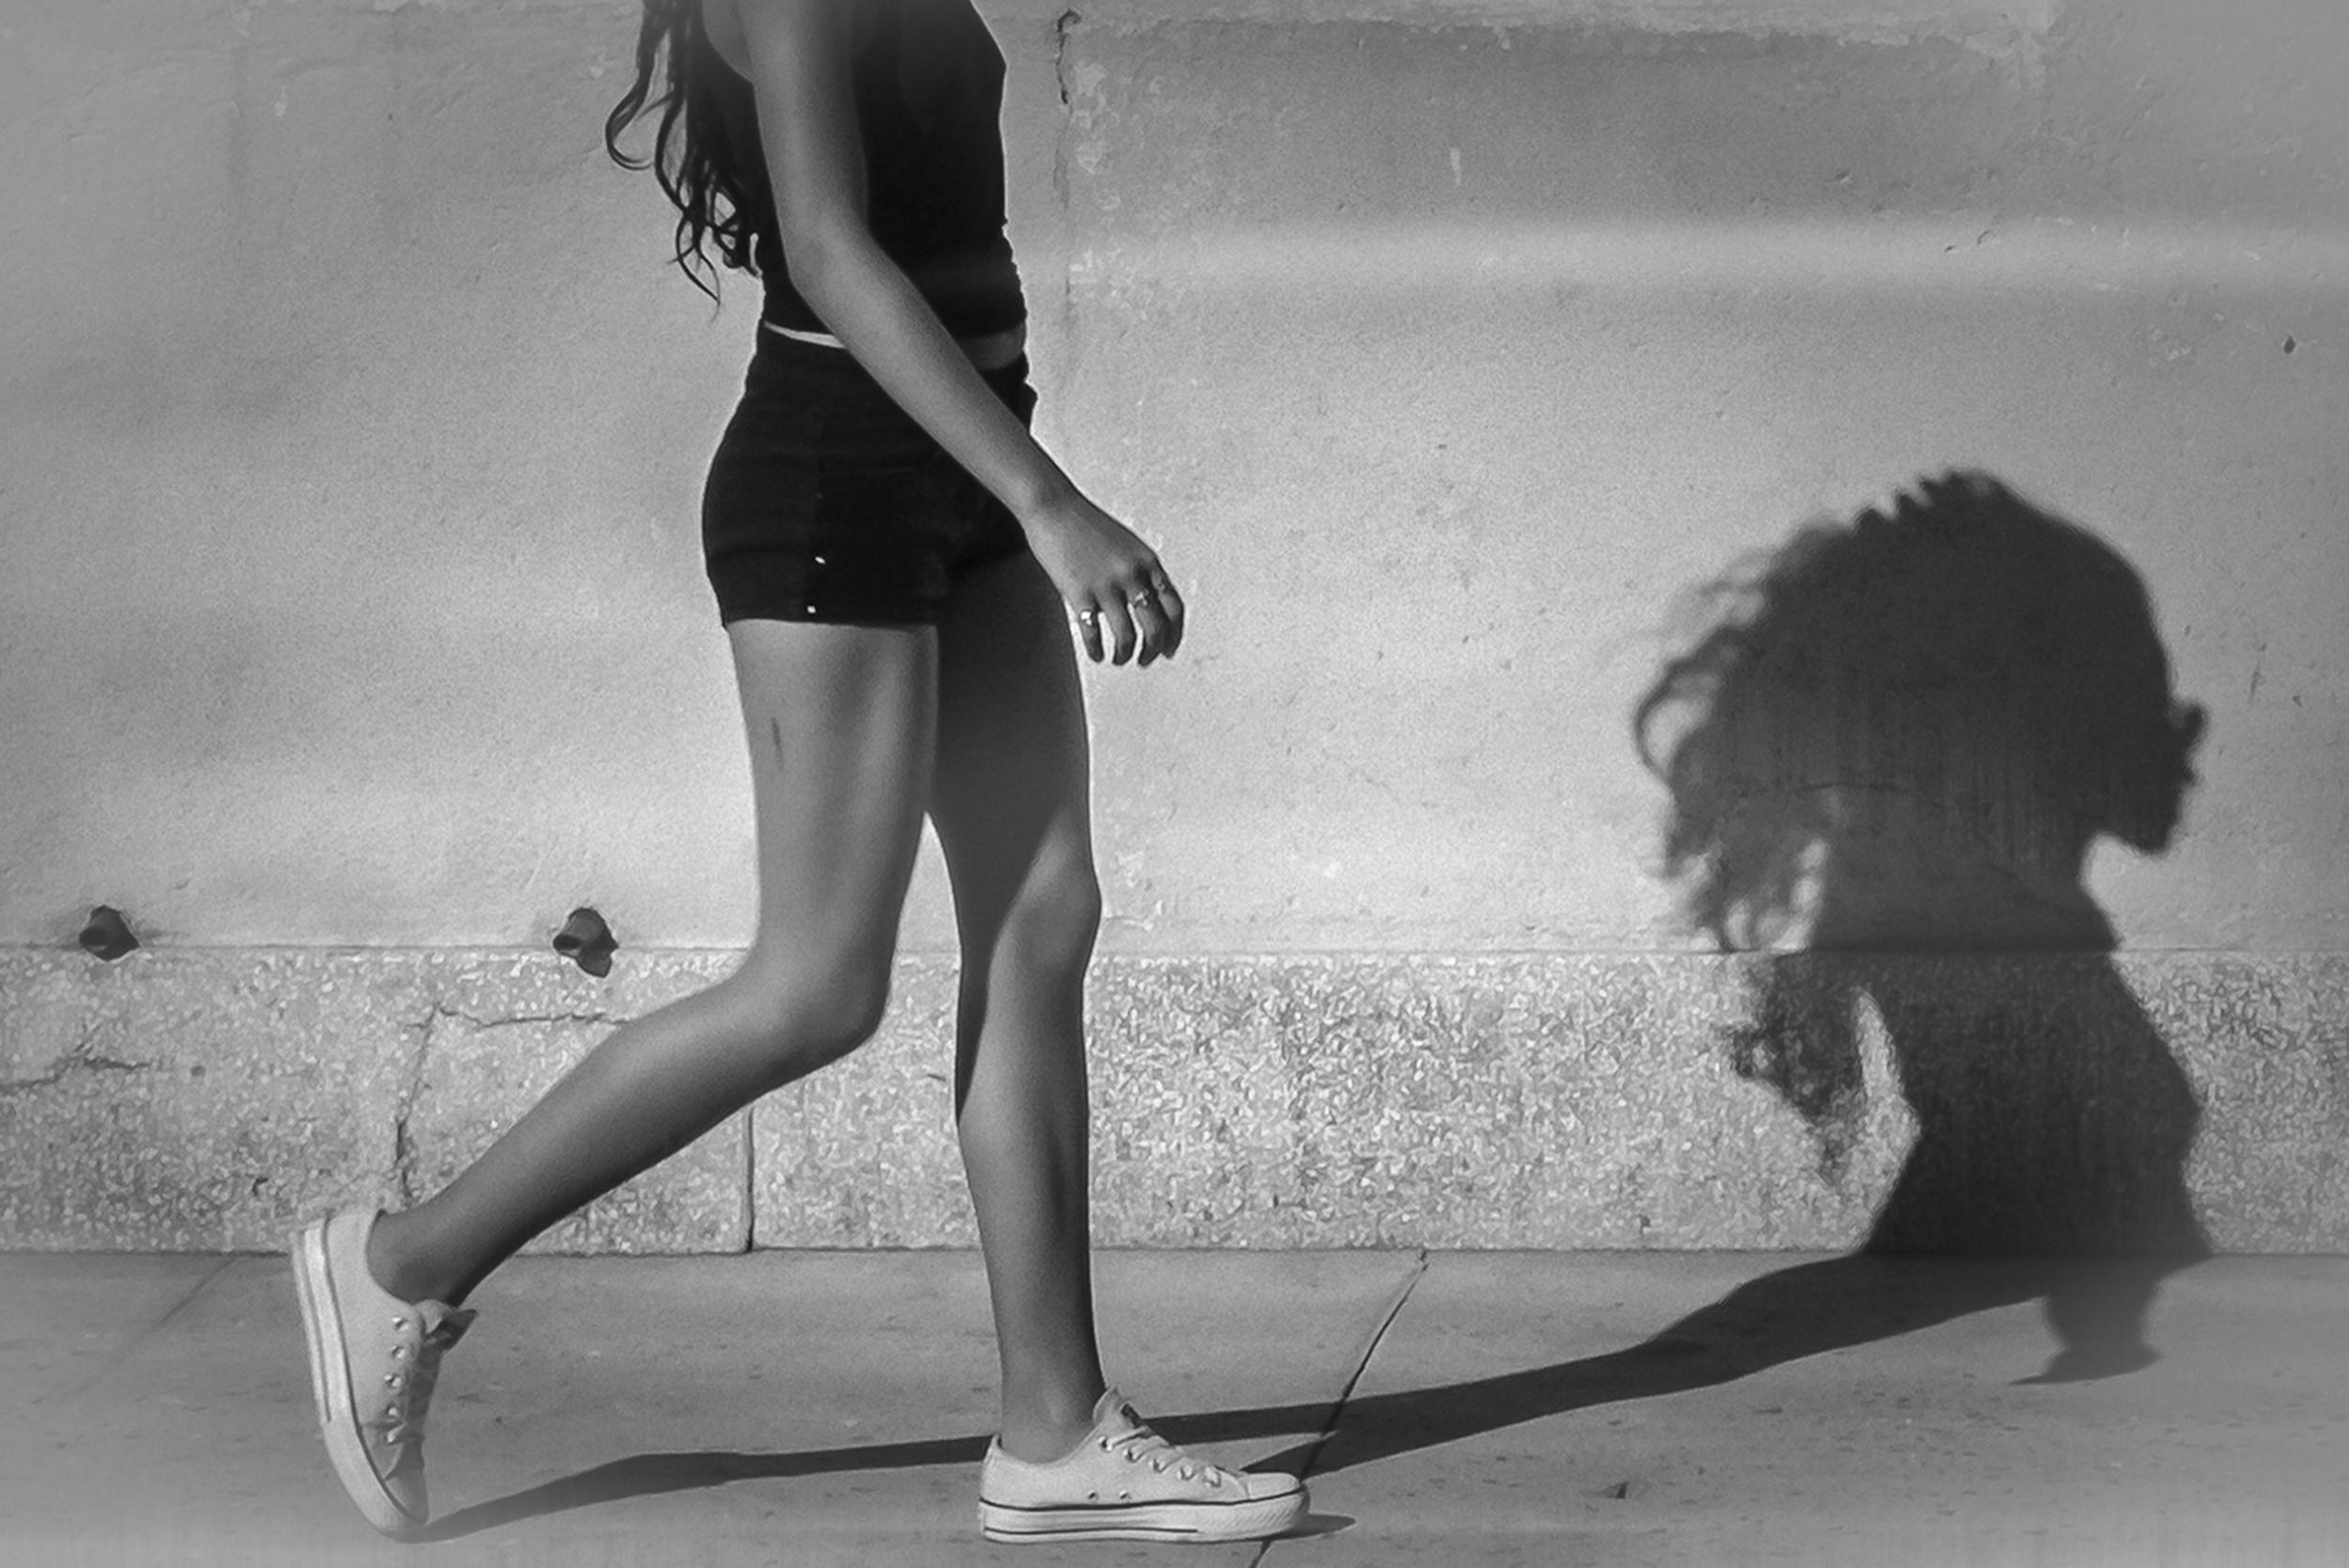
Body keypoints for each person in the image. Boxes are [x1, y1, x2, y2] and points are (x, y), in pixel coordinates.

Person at [289, 0, 1308, 1545]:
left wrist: (1013, 485)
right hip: (839, 482)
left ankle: (1054, 1428)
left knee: (1043, 913)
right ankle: (400, 1265)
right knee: (818, 984)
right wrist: (1052, 505)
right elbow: (828, 247)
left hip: (963, 458)